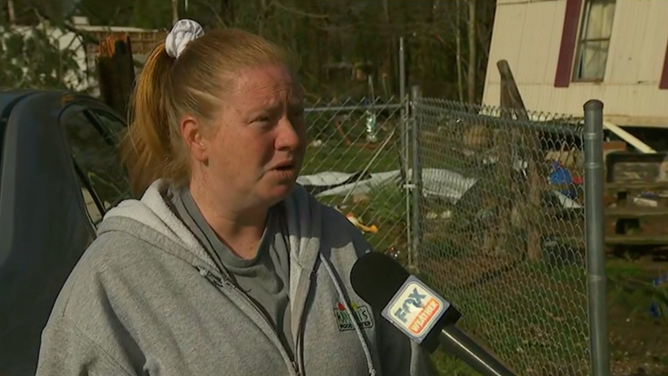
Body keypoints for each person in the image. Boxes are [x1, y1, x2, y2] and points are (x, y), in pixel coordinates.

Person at [36, 19, 431, 376]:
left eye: (295, 114)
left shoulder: (339, 244)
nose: (292, 137)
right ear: (197, 137)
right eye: (264, 120)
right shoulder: (114, 281)